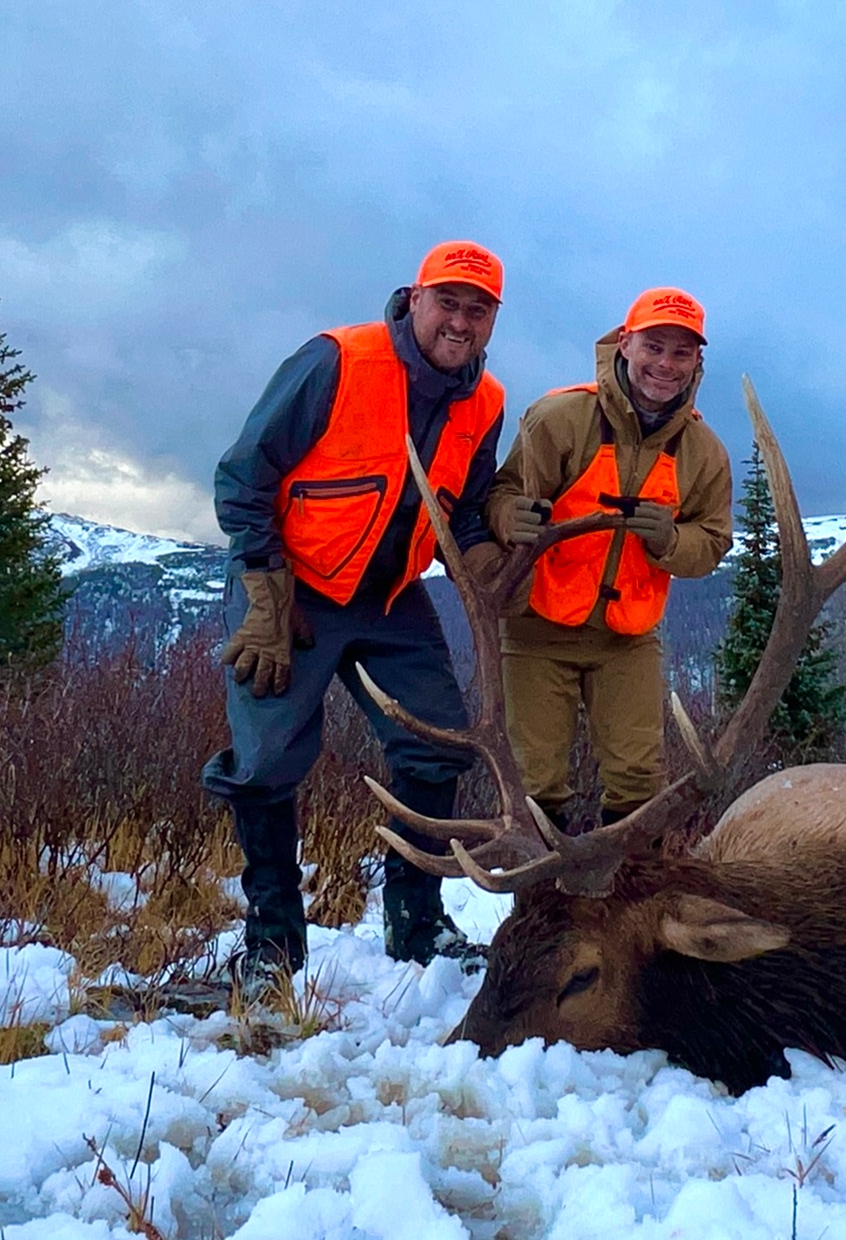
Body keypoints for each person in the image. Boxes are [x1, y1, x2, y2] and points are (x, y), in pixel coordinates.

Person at [202, 240, 510, 982]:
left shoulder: (487, 401)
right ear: (414, 298)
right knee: (267, 760)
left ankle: (416, 925)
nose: (460, 322)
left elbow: (463, 509)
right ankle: (273, 942)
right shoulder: (336, 360)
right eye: (449, 302)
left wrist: (486, 557)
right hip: (289, 584)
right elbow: (244, 473)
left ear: (492, 320)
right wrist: (263, 587)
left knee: (440, 741)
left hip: (391, 595)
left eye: (478, 309)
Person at [484, 288, 733, 828]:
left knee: (640, 781)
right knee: (534, 784)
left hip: (628, 638)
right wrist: (509, 518)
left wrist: (670, 540)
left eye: (682, 352)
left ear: (697, 362)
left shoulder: (703, 452)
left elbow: (711, 544)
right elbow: (500, 493)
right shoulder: (559, 419)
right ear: (625, 344)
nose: (666, 364)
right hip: (537, 630)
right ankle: (541, 904)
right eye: (654, 346)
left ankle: (629, 903)